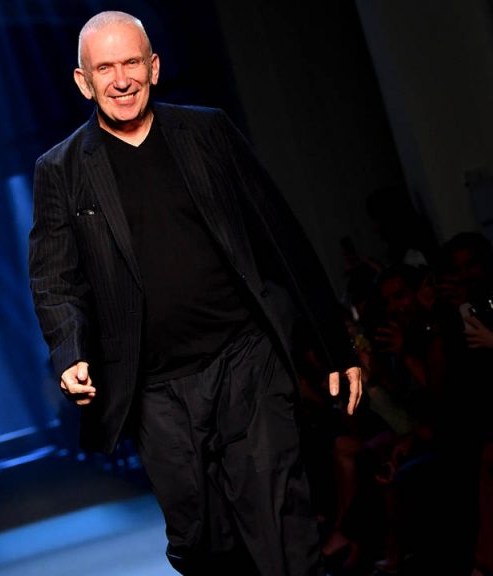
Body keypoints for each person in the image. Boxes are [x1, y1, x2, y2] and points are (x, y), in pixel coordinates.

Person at [27, 11, 363, 575]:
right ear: (83, 81)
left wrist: (335, 343)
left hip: (245, 361)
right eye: (104, 68)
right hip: (154, 389)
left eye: (131, 63)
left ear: (154, 67)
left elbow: (279, 234)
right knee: (201, 542)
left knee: (280, 522)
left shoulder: (207, 132)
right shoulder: (61, 170)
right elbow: (54, 276)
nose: (121, 80)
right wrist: (69, 351)